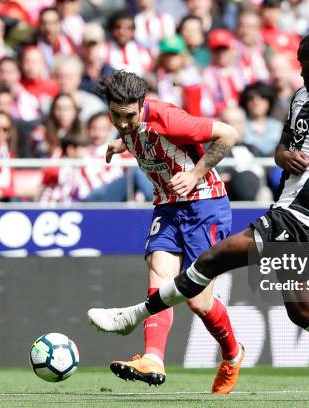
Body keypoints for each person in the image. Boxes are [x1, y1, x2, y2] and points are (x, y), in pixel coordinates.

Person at [88, 31, 309, 402]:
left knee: (213, 259)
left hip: (302, 214)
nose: (298, 71)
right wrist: (283, 157)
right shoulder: (301, 97)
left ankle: (132, 316)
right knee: (304, 312)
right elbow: (282, 149)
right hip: (289, 208)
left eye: (300, 63)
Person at [93, 70, 244, 394]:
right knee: (158, 276)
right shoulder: (128, 125)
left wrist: (195, 174)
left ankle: (233, 355)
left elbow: (228, 134)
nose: (121, 122)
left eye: (128, 116)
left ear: (142, 105)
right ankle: (152, 358)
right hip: (167, 207)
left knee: (198, 302)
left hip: (205, 206)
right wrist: (123, 142)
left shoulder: (170, 119)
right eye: (115, 115)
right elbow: (137, 134)